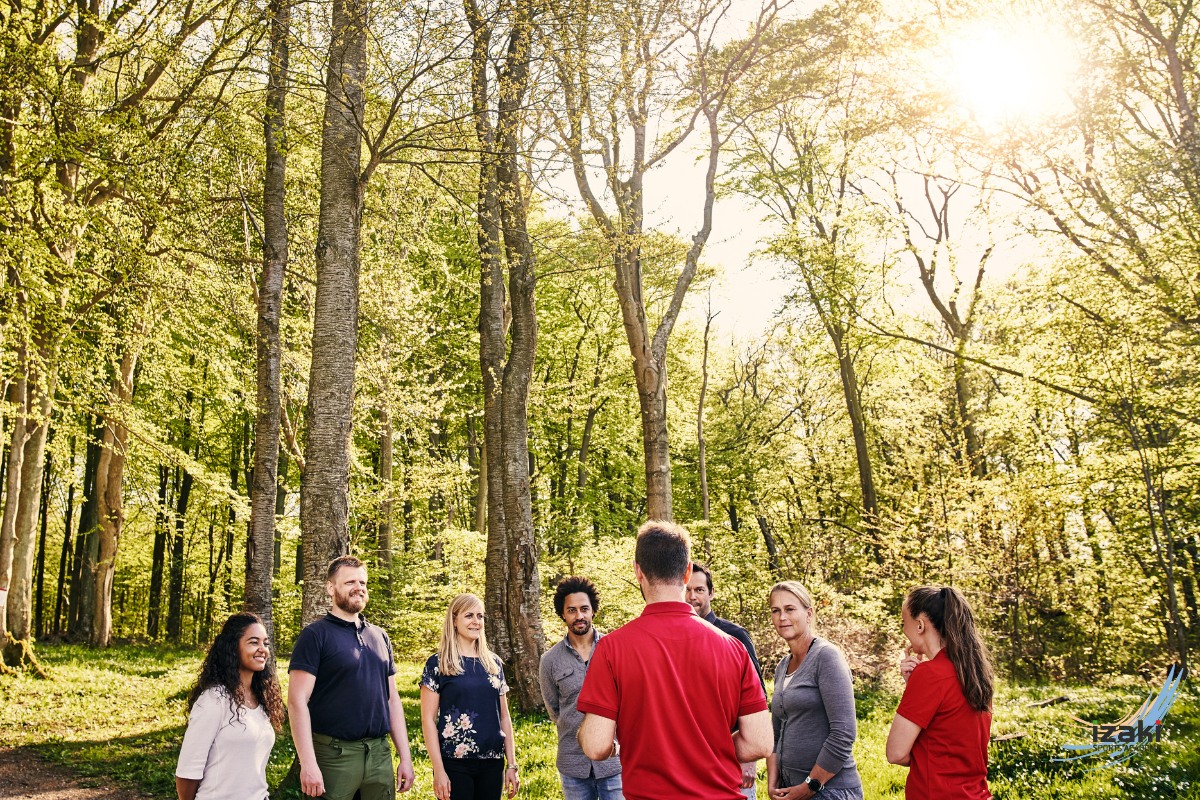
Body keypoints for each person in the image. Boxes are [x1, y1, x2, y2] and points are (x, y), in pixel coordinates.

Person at [576, 520, 772, 800]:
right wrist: (710, 750)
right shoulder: (733, 648)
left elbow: (596, 746)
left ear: (638, 571)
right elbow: (761, 741)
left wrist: (596, 739)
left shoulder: (611, 649)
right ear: (687, 571)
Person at [288, 555, 416, 800]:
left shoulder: (380, 636)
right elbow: (296, 702)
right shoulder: (315, 636)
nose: (359, 588)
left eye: (363, 583)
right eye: (349, 582)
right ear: (330, 587)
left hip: (379, 754)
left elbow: (392, 700)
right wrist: (308, 763)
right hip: (334, 756)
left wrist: (405, 757)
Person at [885, 586, 995, 799]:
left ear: (919, 625)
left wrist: (917, 683)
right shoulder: (974, 672)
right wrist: (913, 686)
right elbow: (952, 738)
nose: (903, 629)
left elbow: (896, 753)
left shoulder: (929, 675)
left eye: (903, 622)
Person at [766, 582, 862, 800]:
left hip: (829, 791)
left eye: (790, 609)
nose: (782, 617)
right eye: (775, 610)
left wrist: (810, 786)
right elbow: (776, 733)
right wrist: (773, 784)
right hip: (788, 789)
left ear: (808, 614)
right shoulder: (783, 665)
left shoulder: (826, 657)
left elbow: (844, 733)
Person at [420, 593, 520, 800]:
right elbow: (427, 720)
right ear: (454, 621)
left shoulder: (493, 663)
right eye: (469, 616)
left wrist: (511, 764)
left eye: (480, 616)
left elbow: (504, 717)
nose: (476, 621)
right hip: (454, 763)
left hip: (492, 762)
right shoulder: (438, 664)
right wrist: (438, 771)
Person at [176, 611, 284, 800]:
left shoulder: (262, 699)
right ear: (233, 648)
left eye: (265, 643)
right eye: (253, 642)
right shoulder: (214, 700)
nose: (263, 649)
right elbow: (187, 772)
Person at [539, 576, 623, 800]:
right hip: (573, 765)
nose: (579, 616)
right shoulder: (550, 661)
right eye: (572, 610)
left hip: (614, 764)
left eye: (584, 609)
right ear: (563, 614)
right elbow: (555, 711)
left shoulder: (614, 650)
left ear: (593, 610)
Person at [688, 561, 765, 798]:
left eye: (699, 590)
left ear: (711, 593)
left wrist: (748, 759)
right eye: (687, 590)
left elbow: (757, 699)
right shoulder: (675, 638)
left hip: (731, 762)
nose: (692, 597)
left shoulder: (734, 636)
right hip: (689, 764)